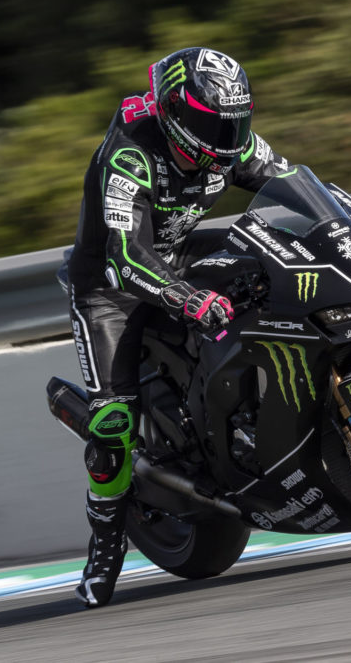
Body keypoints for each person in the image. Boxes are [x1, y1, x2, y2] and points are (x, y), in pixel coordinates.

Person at [60, 47, 293, 608]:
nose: (229, 135)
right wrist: (185, 297)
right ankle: (106, 547)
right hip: (111, 289)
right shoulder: (130, 153)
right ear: (176, 115)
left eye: (236, 120)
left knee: (278, 258)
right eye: (216, 122)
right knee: (114, 421)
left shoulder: (226, 143)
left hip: (184, 255)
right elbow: (124, 253)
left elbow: (293, 181)